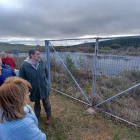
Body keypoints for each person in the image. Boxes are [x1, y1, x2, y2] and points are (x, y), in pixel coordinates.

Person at [19, 49, 51, 124]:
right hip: (33, 88)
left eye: (39, 54)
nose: (39, 55)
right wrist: (26, 89)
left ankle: (49, 116)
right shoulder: (24, 65)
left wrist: (45, 82)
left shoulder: (42, 62)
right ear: (31, 55)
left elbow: (47, 73)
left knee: (46, 102)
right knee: (36, 103)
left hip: (43, 87)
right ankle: (37, 116)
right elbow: (22, 79)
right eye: (37, 54)